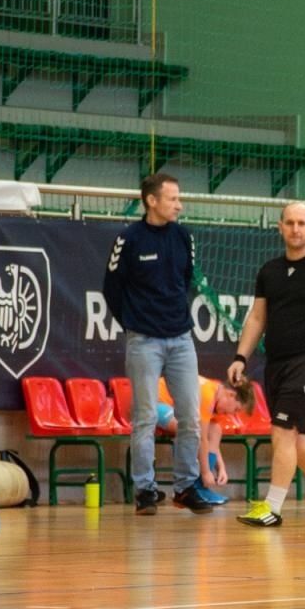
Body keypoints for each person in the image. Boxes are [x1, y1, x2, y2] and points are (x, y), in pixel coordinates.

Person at [226, 202, 305, 528]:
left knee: (282, 431)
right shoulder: (269, 271)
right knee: (293, 437)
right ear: (280, 227)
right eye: (290, 223)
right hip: (276, 364)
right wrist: (241, 356)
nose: (296, 229)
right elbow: (257, 318)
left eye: (302, 223)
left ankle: (272, 507)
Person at [102, 173, 221, 516]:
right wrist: (134, 325)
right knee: (145, 417)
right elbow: (112, 287)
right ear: (151, 201)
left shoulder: (184, 237)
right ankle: (145, 490)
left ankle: (185, 487)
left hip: (181, 339)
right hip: (144, 341)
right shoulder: (129, 239)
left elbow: (185, 281)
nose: (179, 205)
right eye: (172, 199)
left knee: (191, 417)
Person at [198, 375, 253, 502]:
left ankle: (200, 488)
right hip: (157, 404)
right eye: (236, 409)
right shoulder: (208, 395)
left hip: (172, 410)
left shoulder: (216, 395)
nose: (231, 414)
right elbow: (201, 438)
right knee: (190, 433)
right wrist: (206, 473)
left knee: (215, 429)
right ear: (230, 395)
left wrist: (221, 468)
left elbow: (211, 442)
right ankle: (188, 488)